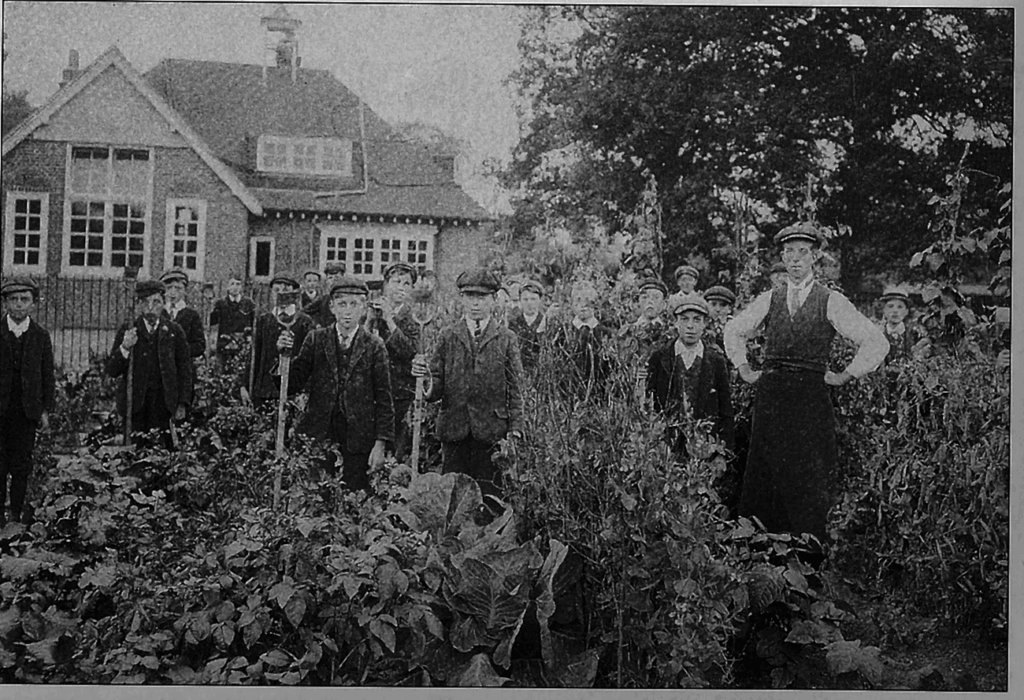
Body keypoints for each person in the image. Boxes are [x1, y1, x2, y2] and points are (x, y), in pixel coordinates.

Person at [723, 222, 889, 542]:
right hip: (772, 395)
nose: (796, 258)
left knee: (808, 465)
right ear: (782, 259)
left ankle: (806, 544)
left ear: (815, 257)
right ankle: (759, 542)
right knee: (766, 463)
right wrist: (743, 367)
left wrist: (845, 375)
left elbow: (876, 341)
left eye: (803, 252)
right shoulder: (770, 298)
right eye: (789, 252)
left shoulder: (830, 300)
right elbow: (733, 330)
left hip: (810, 396)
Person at [411, 269, 524, 498]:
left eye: (482, 297)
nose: (475, 304)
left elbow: (515, 388)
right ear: (461, 299)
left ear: (494, 299)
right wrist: (426, 380)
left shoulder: (506, 338)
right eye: (470, 297)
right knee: (452, 496)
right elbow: (437, 383)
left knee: (490, 497)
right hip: (455, 429)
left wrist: (515, 430)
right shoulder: (448, 335)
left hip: (491, 432)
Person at [289, 276, 394, 491]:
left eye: (354, 304)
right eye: (342, 304)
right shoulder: (316, 339)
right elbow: (292, 384)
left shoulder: (374, 346)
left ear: (363, 308)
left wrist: (380, 444)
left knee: (354, 496)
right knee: (317, 495)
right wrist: (283, 356)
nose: (347, 311)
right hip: (320, 435)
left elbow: (384, 399)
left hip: (358, 440)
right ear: (332, 307)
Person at [647, 292, 735, 460]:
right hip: (666, 448)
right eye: (684, 319)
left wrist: (722, 454)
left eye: (697, 320)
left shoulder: (716, 360)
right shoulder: (659, 357)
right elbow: (649, 403)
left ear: (705, 324)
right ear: (675, 322)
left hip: (704, 449)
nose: (690, 326)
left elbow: (726, 410)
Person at [107, 280, 193, 448]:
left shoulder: (174, 331)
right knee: (134, 450)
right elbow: (112, 370)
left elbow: (185, 370)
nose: (151, 307)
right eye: (146, 302)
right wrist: (125, 347)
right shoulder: (129, 330)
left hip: (164, 405)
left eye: (156, 302)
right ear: (139, 305)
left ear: (163, 304)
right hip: (136, 407)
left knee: (163, 451)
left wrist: (182, 403)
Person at [0, 278, 55, 526]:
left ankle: (16, 514)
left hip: (26, 411)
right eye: (13, 299)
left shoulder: (40, 336)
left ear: (33, 304)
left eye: (24, 299)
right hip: (1, 410)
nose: (19, 305)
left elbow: (47, 375)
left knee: (21, 464)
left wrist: (44, 410)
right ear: (5, 303)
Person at [365, 262, 420, 461]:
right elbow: (361, 347)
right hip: (373, 390)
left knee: (394, 448)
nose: (401, 288)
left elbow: (410, 351)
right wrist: (369, 320)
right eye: (396, 282)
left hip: (399, 393)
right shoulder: (374, 312)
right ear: (386, 285)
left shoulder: (414, 318)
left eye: (407, 284)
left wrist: (389, 319)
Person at [250, 274, 315, 409]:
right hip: (265, 390)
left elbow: (310, 359)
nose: (281, 294)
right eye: (277, 290)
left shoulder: (304, 322)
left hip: (292, 391)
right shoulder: (264, 320)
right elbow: (254, 355)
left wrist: (305, 391)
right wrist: (246, 386)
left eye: (286, 290)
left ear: (294, 294)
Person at [550, 280, 616, 397]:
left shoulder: (604, 333)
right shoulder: (564, 332)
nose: (584, 305)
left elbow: (612, 366)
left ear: (595, 304)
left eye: (588, 301)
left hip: (599, 392)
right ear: (572, 304)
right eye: (579, 300)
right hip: (569, 392)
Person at [160, 267, 206, 394]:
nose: (173, 292)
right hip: (161, 371)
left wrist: (181, 350)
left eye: (178, 288)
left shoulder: (191, 315)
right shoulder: (160, 313)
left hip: (183, 371)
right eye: (169, 288)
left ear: (185, 291)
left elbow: (200, 345)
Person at [209, 272, 256, 374]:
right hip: (224, 346)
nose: (235, 287)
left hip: (242, 346)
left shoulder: (248, 304)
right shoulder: (221, 304)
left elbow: (254, 324)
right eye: (232, 284)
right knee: (222, 374)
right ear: (227, 287)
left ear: (241, 287)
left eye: (238, 284)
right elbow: (212, 323)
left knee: (241, 373)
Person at [878, 285, 928, 363]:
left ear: (906, 311)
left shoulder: (914, 334)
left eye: (900, 307)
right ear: (884, 310)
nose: (895, 311)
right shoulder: (878, 334)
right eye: (890, 306)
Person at [507, 280, 548, 372]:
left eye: (533, 299)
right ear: (520, 301)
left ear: (540, 300)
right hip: (518, 371)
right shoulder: (513, 323)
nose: (529, 303)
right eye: (525, 299)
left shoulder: (546, 322)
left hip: (541, 371)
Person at [306, 263, 345, 328]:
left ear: (343, 279)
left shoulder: (350, 299)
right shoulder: (323, 299)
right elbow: (304, 312)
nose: (333, 281)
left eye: (337, 278)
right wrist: (316, 323)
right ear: (326, 281)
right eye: (330, 278)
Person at [703, 285, 736, 351]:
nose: (718, 309)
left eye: (723, 305)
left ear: (729, 308)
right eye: (713, 304)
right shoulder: (702, 324)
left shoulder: (734, 325)